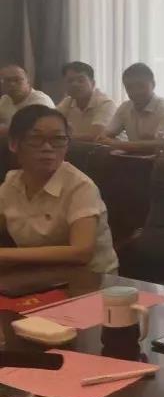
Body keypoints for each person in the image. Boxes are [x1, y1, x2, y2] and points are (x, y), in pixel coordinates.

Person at [0, 104, 118, 273]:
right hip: (35, 274)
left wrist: (5, 255)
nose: (48, 148)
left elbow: (81, 252)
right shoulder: (11, 183)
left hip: (89, 279)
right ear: (14, 144)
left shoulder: (80, 186)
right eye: (36, 139)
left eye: (58, 139)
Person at [101, 62, 164, 151]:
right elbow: (105, 135)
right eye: (129, 87)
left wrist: (119, 144)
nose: (135, 92)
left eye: (141, 86)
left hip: (159, 159)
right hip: (130, 157)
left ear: (153, 84)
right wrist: (107, 139)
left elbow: (162, 144)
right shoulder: (125, 107)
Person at [55, 61, 117, 140]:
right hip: (76, 146)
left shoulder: (105, 103)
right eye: (70, 81)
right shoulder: (67, 102)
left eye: (81, 80)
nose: (75, 84)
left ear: (93, 83)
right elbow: (51, 124)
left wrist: (61, 137)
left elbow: (96, 136)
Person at [0, 63, 55, 138]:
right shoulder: (5, 99)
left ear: (28, 81)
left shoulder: (40, 101)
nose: (12, 84)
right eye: (7, 80)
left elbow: (27, 130)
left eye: (17, 80)